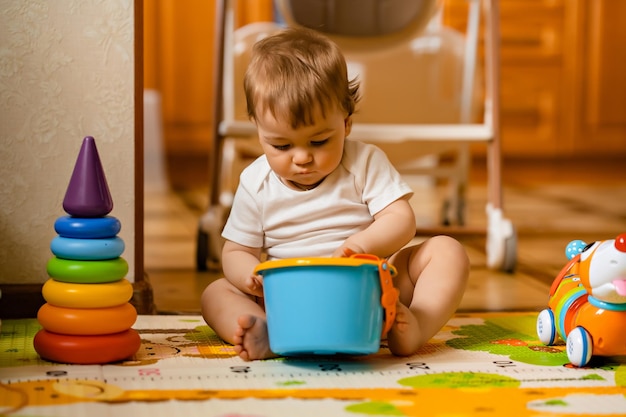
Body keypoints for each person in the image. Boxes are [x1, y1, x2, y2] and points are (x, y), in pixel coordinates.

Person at [201, 26, 469, 361]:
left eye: (319, 141)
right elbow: (236, 250)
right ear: (258, 129)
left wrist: (363, 245)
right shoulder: (255, 181)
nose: (302, 157)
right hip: (288, 299)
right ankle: (270, 331)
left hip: (369, 292)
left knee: (447, 250)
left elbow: (401, 220)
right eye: (281, 145)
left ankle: (415, 324)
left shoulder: (365, 161)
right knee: (216, 293)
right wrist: (248, 274)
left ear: (346, 123)